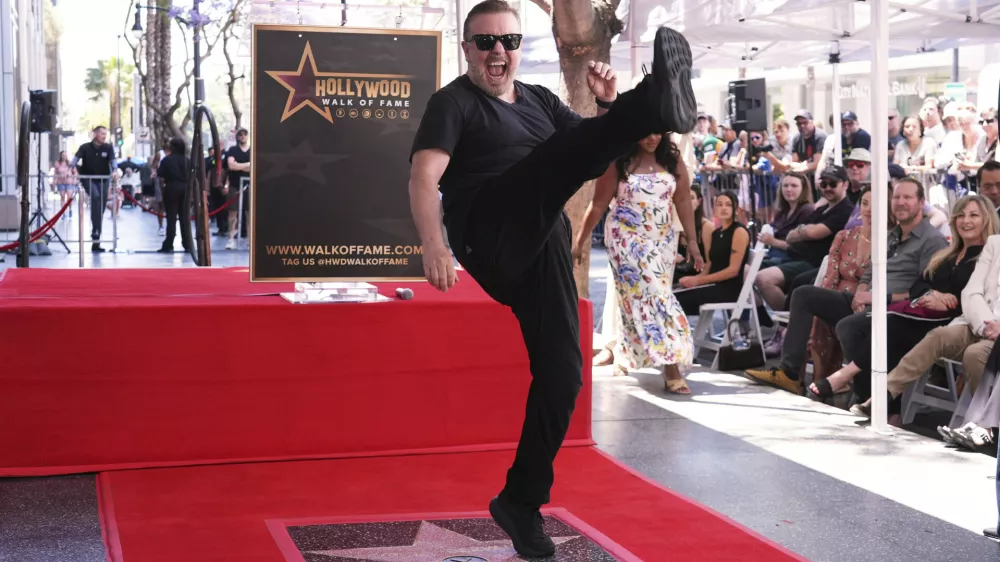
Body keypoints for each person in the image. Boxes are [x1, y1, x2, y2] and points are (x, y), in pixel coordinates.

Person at [408, 1, 700, 556]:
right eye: (487, 43)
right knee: (545, 167)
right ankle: (653, 98)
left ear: (521, 47)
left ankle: (519, 501)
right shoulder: (452, 103)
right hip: (486, 227)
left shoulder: (539, 100)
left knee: (565, 376)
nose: (499, 53)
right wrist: (433, 244)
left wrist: (613, 106)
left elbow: (593, 147)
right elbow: (425, 177)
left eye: (510, 42)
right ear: (467, 47)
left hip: (538, 240)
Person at [746, 177, 948, 395]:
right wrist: (862, 291)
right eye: (897, 197)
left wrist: (877, 298)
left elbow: (924, 293)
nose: (900, 202)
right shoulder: (892, 235)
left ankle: (869, 397)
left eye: (907, 197)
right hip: (867, 301)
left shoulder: (932, 240)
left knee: (849, 325)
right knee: (803, 294)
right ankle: (790, 373)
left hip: (896, 312)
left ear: (921, 202)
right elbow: (871, 271)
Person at [573, 133, 701, 395]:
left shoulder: (673, 160)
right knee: (656, 295)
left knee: (636, 298)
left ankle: (625, 351)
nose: (652, 137)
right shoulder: (619, 161)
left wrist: (693, 242)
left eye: (657, 131)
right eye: (646, 131)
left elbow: (684, 200)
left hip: (662, 239)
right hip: (626, 237)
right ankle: (671, 366)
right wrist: (580, 241)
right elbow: (598, 205)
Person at [674, 191, 751, 315]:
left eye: (728, 205)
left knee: (676, 300)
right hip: (713, 285)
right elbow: (710, 264)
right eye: (720, 205)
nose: (724, 208)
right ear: (714, 209)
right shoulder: (717, 233)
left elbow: (733, 270)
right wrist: (694, 278)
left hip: (728, 289)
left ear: (736, 210)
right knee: (673, 293)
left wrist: (699, 281)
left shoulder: (739, 231)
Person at [71, 126, 119, 252]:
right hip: (88, 179)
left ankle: (96, 237)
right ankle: (96, 232)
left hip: (103, 180)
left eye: (105, 134)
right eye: (102, 133)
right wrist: (73, 169)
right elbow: (74, 161)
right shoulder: (85, 147)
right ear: (95, 134)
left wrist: (115, 170)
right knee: (96, 197)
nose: (104, 136)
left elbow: (113, 161)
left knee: (100, 207)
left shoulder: (108, 147)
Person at [156, 138, 192, 253]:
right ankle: (187, 243)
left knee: (171, 217)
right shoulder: (187, 160)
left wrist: (162, 191)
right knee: (184, 218)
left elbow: (160, 175)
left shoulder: (167, 160)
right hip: (186, 188)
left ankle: (169, 243)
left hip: (171, 188)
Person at [225, 128, 251, 249]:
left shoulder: (252, 150)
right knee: (232, 212)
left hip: (250, 185)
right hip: (235, 185)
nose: (243, 136)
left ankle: (250, 240)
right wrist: (247, 165)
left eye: (245, 134)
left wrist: (239, 166)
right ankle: (231, 238)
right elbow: (231, 165)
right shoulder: (233, 150)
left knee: (249, 213)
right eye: (240, 134)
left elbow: (255, 167)